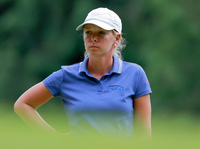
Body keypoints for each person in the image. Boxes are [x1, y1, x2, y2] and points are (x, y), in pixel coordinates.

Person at [14, 7, 152, 138]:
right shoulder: (66, 75)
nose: (93, 38)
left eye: (101, 33)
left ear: (116, 39)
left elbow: (144, 135)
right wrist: (54, 138)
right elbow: (23, 105)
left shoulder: (135, 74)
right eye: (88, 32)